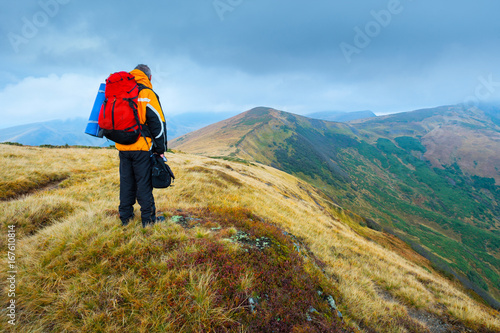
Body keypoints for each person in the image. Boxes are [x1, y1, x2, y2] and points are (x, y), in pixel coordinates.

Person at [116, 64, 167, 227]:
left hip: (122, 147)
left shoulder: (120, 90)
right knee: (143, 184)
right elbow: (158, 124)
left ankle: (125, 218)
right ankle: (148, 221)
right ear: (149, 77)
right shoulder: (147, 93)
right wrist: (160, 149)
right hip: (142, 148)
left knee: (126, 182)